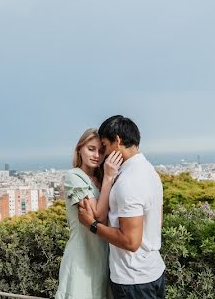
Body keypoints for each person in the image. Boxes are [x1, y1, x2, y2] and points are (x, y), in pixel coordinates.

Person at [78, 116, 165, 299]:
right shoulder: (150, 172)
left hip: (133, 279)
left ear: (117, 141)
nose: (104, 153)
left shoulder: (129, 181)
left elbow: (130, 242)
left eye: (105, 145)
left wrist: (92, 225)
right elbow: (157, 221)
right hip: (153, 270)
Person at [56, 128, 123, 299]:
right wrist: (109, 178)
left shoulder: (102, 179)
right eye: (91, 149)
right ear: (79, 149)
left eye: (101, 151)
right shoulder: (74, 177)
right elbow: (98, 216)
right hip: (81, 256)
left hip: (104, 257)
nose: (97, 155)